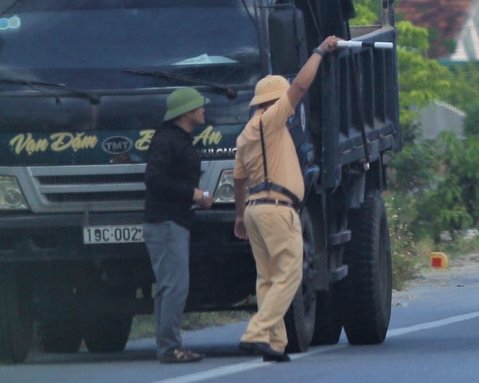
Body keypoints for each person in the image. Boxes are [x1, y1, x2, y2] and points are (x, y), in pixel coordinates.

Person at [233, 36, 340, 362]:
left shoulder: (245, 133)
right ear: (274, 102)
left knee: (267, 278)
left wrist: (239, 217)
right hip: (278, 208)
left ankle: (274, 342)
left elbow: (238, 180)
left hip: (254, 209)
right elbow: (301, 86)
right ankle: (256, 332)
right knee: (290, 273)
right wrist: (319, 52)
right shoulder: (271, 121)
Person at [143, 87, 213, 364]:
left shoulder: (179, 139)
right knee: (174, 286)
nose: (204, 109)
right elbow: (155, 179)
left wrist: (196, 198)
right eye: (199, 106)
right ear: (186, 112)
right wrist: (192, 193)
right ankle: (170, 348)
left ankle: (167, 346)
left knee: (168, 286)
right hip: (166, 223)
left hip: (173, 220)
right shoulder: (167, 141)